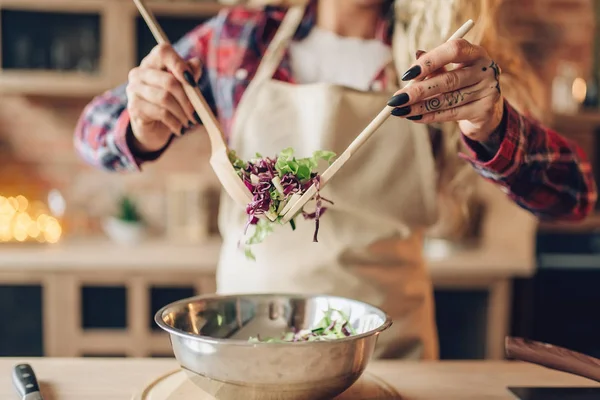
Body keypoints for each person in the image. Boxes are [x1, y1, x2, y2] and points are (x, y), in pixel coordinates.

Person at [73, 0, 596, 360]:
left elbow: (578, 196)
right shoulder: (240, 36)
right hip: (246, 345)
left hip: (386, 352)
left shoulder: (442, 55)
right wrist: (142, 124)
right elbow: (92, 132)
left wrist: (493, 125)